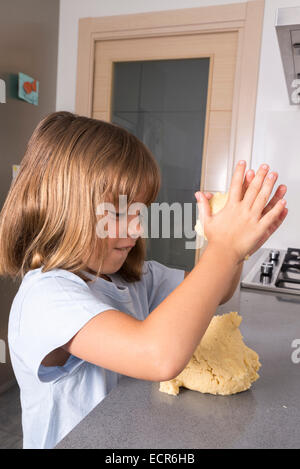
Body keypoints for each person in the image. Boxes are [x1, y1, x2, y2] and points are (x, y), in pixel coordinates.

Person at [0, 112, 288, 449]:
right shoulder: (46, 297)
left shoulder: (134, 279)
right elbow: (157, 355)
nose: (137, 230)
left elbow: (219, 292)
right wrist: (223, 249)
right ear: (65, 211)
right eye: (121, 213)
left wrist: (238, 250)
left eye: (139, 213)